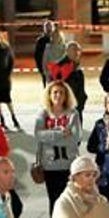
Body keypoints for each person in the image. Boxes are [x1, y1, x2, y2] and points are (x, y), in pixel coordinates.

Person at [33, 80, 83, 210]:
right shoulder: (42, 114)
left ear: (66, 95)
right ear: (49, 95)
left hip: (68, 164)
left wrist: (49, 136)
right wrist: (61, 134)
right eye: (55, 92)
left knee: (70, 200)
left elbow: (76, 137)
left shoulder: (73, 114)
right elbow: (38, 135)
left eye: (61, 92)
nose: (58, 95)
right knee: (54, 200)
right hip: (49, 165)